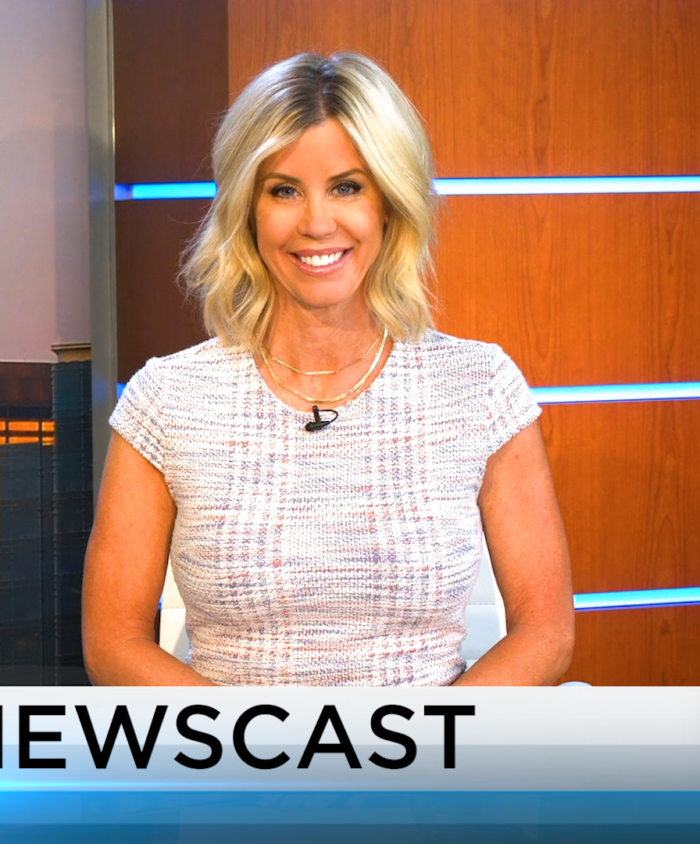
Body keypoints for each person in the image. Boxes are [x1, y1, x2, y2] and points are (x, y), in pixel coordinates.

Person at [83, 53, 574, 686]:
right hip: (234, 745)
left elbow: (546, 634)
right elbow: (113, 644)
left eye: (347, 187)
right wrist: (268, 741)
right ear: (247, 209)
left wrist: (420, 743)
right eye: (283, 190)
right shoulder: (167, 399)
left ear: (390, 203)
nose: (316, 223)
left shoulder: (480, 386)